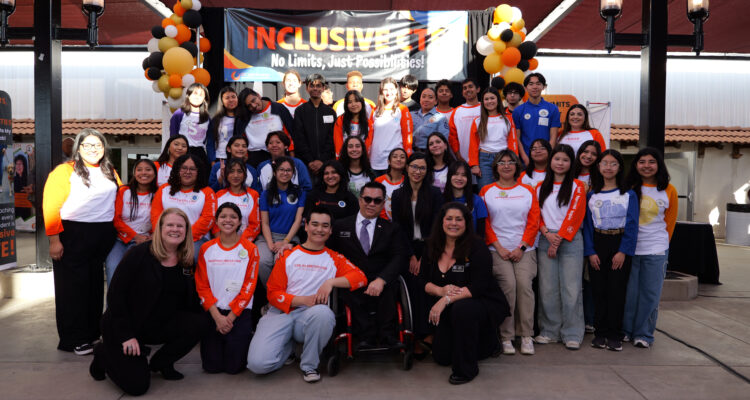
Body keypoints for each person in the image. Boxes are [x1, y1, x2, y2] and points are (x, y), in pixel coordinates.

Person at [89, 208, 209, 396]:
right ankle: (103, 353)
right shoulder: (139, 254)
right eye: (170, 225)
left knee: (200, 322)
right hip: (125, 325)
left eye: (180, 226)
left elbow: (191, 301)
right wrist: (126, 335)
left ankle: (162, 363)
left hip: (157, 324)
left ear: (187, 231)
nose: (175, 229)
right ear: (160, 228)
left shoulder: (186, 261)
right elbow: (115, 295)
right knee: (137, 386)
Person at [247, 206, 367, 383]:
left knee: (324, 313)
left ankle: (309, 365)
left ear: (331, 230)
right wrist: (302, 300)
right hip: (280, 314)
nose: (319, 230)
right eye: (315, 224)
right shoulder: (288, 255)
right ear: (306, 226)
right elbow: (273, 294)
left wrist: (331, 282)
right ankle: (287, 349)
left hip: (309, 318)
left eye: (325, 226)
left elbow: (361, 278)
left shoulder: (334, 258)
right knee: (258, 365)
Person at [43, 128, 120, 355]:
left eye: (98, 145)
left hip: (102, 235)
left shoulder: (109, 171)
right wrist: (54, 240)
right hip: (73, 234)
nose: (93, 149)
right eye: (87, 145)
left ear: (104, 148)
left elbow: (120, 197)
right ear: (78, 148)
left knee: (94, 286)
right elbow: (50, 206)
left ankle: (91, 334)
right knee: (72, 289)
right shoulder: (63, 171)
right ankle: (73, 338)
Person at [419, 203, 509, 384]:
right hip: (451, 308)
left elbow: (479, 286)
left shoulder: (477, 247)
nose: (454, 223)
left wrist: (445, 299)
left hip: (482, 302)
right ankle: (484, 343)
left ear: (467, 223)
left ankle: (465, 370)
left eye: (459, 219)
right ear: (441, 222)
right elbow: (421, 280)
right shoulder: (431, 245)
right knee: (441, 357)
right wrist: (439, 291)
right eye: (449, 218)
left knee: (462, 309)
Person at [329, 181, 408, 349]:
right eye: (367, 199)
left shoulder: (392, 229)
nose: (371, 204)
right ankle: (366, 335)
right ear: (360, 200)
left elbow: (399, 257)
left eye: (377, 201)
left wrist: (382, 279)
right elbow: (329, 253)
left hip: (381, 277)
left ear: (383, 203)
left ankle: (388, 335)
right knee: (347, 289)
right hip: (351, 278)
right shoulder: (340, 226)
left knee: (392, 285)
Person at [479, 150, 540, 356]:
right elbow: (485, 222)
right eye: (502, 162)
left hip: (524, 249)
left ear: (517, 166)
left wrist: (521, 247)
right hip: (497, 249)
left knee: (524, 286)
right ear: (495, 167)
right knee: (508, 287)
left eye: (510, 162)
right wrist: (500, 247)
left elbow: (534, 221)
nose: (506, 165)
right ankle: (506, 336)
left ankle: (526, 335)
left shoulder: (527, 190)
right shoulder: (487, 190)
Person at [583, 149, 639, 351]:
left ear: (620, 167)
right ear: (598, 167)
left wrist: (623, 251)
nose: (608, 167)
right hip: (598, 243)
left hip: (619, 244)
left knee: (616, 290)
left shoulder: (628, 194)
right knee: (598, 291)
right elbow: (588, 225)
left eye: (613, 163)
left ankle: (615, 334)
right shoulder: (592, 194)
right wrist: (590, 251)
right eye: (604, 163)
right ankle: (600, 333)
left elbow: (632, 224)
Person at [622, 147, 678, 349]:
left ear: (659, 165)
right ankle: (626, 331)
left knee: (650, 294)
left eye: (651, 162)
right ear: (636, 165)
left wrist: (662, 246)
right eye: (642, 161)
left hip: (655, 249)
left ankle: (644, 334)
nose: (646, 166)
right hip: (630, 249)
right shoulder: (628, 187)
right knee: (629, 293)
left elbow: (670, 223)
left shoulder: (669, 190)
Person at [196, 203, 260, 374]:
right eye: (223, 216)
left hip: (239, 313)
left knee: (234, 368)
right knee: (212, 367)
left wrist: (230, 317)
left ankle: (247, 337)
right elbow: (202, 285)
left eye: (233, 217)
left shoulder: (250, 249)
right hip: (213, 312)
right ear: (216, 221)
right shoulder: (206, 248)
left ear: (240, 222)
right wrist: (217, 317)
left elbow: (249, 286)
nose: (228, 220)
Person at [535, 144, 586, 350]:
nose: (560, 163)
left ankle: (572, 332)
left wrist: (560, 238)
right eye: (557, 159)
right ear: (551, 161)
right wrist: (548, 234)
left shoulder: (578, 186)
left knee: (571, 288)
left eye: (565, 160)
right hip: (545, 237)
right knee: (547, 288)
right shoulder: (539, 187)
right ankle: (549, 331)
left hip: (571, 239)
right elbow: (535, 214)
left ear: (571, 163)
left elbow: (576, 212)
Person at [391, 153, 443, 346]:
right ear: (406, 167)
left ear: (427, 171)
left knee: (428, 286)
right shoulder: (397, 195)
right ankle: (416, 335)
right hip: (408, 249)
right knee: (413, 287)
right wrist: (412, 255)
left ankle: (430, 334)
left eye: (422, 168)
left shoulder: (435, 194)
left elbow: (438, 227)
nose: (417, 171)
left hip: (430, 248)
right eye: (414, 166)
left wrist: (423, 256)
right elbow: (398, 228)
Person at [151, 153, 216, 257]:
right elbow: (155, 216)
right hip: (165, 237)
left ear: (198, 172)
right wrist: (163, 236)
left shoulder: (207, 192)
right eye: (184, 168)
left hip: (195, 239)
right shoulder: (164, 189)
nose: (187, 172)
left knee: (189, 257)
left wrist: (185, 236)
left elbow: (208, 219)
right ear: (177, 170)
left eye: (192, 169)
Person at [107, 159, 158, 285]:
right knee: (113, 267)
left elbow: (159, 218)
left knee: (135, 272)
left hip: (145, 240)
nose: (143, 173)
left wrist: (151, 236)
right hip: (120, 240)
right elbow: (116, 219)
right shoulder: (124, 191)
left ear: (155, 173)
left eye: (148, 169)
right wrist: (135, 236)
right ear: (134, 173)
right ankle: (112, 304)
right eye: (139, 169)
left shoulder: (158, 193)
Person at [257, 156, 306, 284]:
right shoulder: (266, 194)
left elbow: (297, 221)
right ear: (275, 172)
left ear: (293, 173)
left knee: (282, 260)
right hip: (267, 237)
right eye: (281, 170)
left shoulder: (299, 193)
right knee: (262, 261)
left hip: (290, 237)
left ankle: (282, 296)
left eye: (288, 170)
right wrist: (270, 244)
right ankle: (271, 296)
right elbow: (265, 223)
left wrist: (285, 241)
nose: (285, 173)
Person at [469, 87, 517, 190]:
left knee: (504, 190)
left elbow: (512, 141)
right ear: (483, 102)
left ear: (498, 100)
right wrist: (474, 165)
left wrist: (514, 160)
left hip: (504, 159)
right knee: (485, 191)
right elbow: (473, 144)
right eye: (486, 99)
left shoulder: (508, 118)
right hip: (484, 160)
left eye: (492, 98)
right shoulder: (477, 121)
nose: (489, 101)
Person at [235, 87, 295, 167]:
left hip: (279, 155)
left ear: (258, 95)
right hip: (253, 159)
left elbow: (292, 133)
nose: (253, 106)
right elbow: (239, 138)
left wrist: (292, 157)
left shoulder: (278, 108)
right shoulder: (244, 117)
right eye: (249, 105)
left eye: (253, 100)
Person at [292, 73, 337, 177]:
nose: (315, 88)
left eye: (318, 86)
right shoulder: (300, 111)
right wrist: (310, 161)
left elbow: (332, 139)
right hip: (306, 164)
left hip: (326, 165)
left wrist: (322, 161)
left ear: (323, 88)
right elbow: (299, 139)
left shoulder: (330, 112)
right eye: (312, 86)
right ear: (307, 88)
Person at [368, 77, 414, 175]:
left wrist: (408, 159)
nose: (389, 93)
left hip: (395, 162)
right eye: (385, 90)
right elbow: (369, 138)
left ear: (396, 91)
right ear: (381, 92)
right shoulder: (374, 111)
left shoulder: (403, 110)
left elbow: (408, 137)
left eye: (392, 89)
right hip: (375, 162)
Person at [513, 73, 561, 166]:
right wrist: (524, 157)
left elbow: (553, 137)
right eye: (531, 84)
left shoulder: (552, 109)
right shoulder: (518, 111)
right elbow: (517, 138)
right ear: (525, 88)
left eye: (538, 84)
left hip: (546, 160)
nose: (534, 87)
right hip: (525, 160)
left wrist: (548, 156)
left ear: (544, 87)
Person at [213, 158, 261, 241]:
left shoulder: (253, 195)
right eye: (231, 171)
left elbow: (255, 225)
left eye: (239, 171)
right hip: (221, 241)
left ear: (244, 174)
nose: (235, 175)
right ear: (226, 174)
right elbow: (214, 223)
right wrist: (222, 240)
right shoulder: (218, 195)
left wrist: (238, 242)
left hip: (244, 242)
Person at [169, 83, 215, 167]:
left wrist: (212, 161)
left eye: (201, 95)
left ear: (205, 99)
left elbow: (210, 142)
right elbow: (172, 138)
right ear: (188, 95)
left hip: (200, 154)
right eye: (195, 93)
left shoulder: (207, 117)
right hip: (183, 153)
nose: (197, 97)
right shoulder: (179, 114)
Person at [444, 160, 487, 235]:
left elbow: (481, 232)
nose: (459, 178)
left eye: (463, 175)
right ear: (449, 176)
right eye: (456, 174)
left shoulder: (477, 200)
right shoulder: (441, 199)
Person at [448, 78, 482, 162]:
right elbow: (452, 135)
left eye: (470, 87)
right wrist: (457, 153)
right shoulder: (457, 111)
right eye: (465, 88)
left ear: (478, 89)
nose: (467, 90)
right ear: (462, 93)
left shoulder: (486, 108)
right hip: (464, 159)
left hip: (485, 157)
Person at [334, 90, 372, 158]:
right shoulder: (340, 120)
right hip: (344, 160)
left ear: (362, 103)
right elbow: (338, 144)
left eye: (356, 101)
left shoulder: (368, 123)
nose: (353, 104)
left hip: (362, 161)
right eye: (350, 102)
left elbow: (368, 146)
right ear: (346, 105)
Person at [412, 87, 450, 153]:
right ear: (420, 100)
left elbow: (444, 140)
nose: (426, 100)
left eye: (430, 97)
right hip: (412, 154)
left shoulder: (440, 118)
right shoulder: (411, 115)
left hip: (431, 154)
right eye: (423, 97)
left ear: (436, 101)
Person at [374, 148, 407, 220]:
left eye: (402, 157)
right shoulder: (379, 181)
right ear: (389, 161)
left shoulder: (409, 181)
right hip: (383, 223)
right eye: (395, 156)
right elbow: (376, 204)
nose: (399, 159)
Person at [210, 86, 239, 162]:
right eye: (227, 98)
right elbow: (210, 142)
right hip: (220, 157)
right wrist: (212, 161)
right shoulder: (216, 120)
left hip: (238, 158)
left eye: (233, 97)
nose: (231, 100)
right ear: (222, 101)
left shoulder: (243, 118)